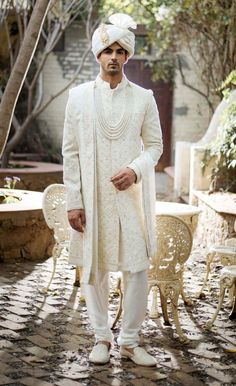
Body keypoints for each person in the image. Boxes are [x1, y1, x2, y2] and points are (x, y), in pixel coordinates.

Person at [62, 13, 163, 366]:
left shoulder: (144, 98)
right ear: (97, 54)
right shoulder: (77, 98)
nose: (114, 57)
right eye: (108, 49)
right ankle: (101, 337)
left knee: (136, 268)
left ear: (128, 56)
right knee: (95, 267)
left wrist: (135, 170)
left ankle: (132, 341)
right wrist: (74, 201)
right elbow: (70, 152)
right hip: (91, 199)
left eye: (121, 50)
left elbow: (154, 146)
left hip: (129, 198)